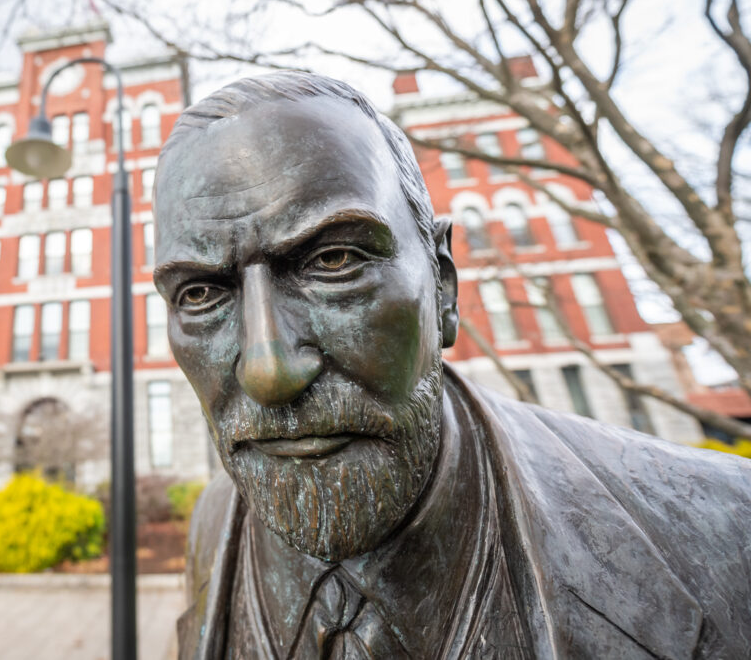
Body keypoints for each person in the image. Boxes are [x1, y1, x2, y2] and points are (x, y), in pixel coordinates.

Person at [152, 71, 751, 659]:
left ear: (442, 288)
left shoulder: (730, 529)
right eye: (201, 295)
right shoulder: (213, 525)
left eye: (334, 261)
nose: (269, 373)